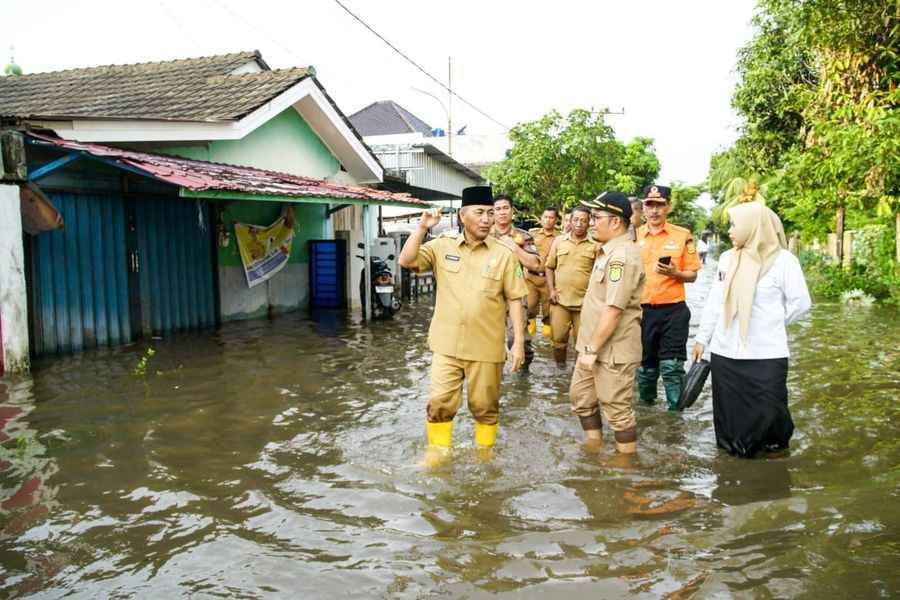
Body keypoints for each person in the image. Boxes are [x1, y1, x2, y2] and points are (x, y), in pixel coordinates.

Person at [398, 186, 528, 457]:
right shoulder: (441, 246)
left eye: (490, 213)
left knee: (485, 406)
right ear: (462, 215)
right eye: (479, 213)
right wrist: (422, 227)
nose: (486, 219)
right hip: (446, 345)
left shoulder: (504, 254)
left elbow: (515, 298)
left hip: (486, 346)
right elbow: (406, 260)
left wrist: (518, 342)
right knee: (439, 403)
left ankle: (484, 457)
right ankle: (437, 456)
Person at [691, 202, 811, 458]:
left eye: (735, 225)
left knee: (771, 412)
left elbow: (800, 303)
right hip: (725, 353)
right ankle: (732, 465)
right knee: (729, 413)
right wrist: (703, 338)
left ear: (753, 226)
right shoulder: (726, 259)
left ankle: (772, 462)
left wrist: (771, 324)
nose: (731, 230)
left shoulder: (783, 261)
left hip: (765, 353)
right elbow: (715, 302)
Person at [570, 192, 645, 453]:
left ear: (616, 222)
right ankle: (594, 448)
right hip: (591, 347)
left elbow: (613, 310)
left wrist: (591, 351)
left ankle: (624, 467)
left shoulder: (622, 257)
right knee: (581, 399)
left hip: (612, 351)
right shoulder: (607, 252)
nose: (591, 222)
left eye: (596, 217)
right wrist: (587, 349)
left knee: (617, 410)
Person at [635, 184, 702, 410]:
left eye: (659, 205)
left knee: (672, 367)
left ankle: (675, 415)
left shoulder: (683, 236)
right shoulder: (633, 237)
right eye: (649, 205)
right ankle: (646, 412)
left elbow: (692, 275)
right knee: (645, 367)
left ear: (668, 206)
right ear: (643, 208)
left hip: (674, 311)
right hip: (642, 312)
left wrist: (675, 273)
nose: (654, 210)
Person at [490, 194, 541, 368]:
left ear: (512, 211)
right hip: (489, 293)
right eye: (498, 209)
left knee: (517, 338)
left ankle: (523, 374)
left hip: (516, 293)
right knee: (488, 337)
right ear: (493, 212)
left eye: (506, 208)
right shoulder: (484, 235)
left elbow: (535, 264)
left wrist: (514, 247)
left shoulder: (523, 237)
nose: (502, 212)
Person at [544, 205, 598, 367]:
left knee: (583, 343)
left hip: (584, 304)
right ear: (570, 221)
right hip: (560, 301)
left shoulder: (596, 245)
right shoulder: (559, 242)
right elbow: (549, 267)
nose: (579, 224)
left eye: (583, 221)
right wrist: (551, 290)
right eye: (576, 220)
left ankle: (577, 373)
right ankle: (560, 370)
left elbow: (599, 274)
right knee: (558, 341)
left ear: (589, 223)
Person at [527, 207, 561, 338]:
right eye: (545, 217)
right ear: (541, 218)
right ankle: (531, 340)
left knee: (549, 310)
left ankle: (547, 340)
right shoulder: (532, 235)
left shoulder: (560, 237)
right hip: (531, 277)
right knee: (529, 306)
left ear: (556, 220)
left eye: (551, 217)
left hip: (549, 279)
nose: (548, 220)